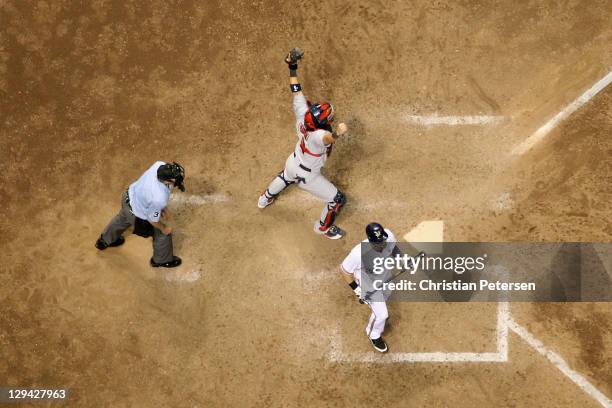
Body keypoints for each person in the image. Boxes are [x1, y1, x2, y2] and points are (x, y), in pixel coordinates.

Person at [257, 48, 348, 240]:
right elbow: (327, 139)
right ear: (322, 124)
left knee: (285, 176)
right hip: (308, 176)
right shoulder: (319, 136)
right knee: (338, 200)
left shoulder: (303, 114)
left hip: (293, 161)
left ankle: (264, 199)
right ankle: (323, 228)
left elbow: (296, 89)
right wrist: (337, 134)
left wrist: (292, 66)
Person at [95, 161, 184, 268]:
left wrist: (161, 207)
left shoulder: (158, 165)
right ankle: (162, 260)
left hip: (128, 197)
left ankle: (104, 241)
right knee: (161, 233)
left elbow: (151, 193)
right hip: (137, 216)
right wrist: (164, 228)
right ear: (166, 181)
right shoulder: (159, 198)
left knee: (122, 218)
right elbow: (153, 220)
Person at [340, 222, 399, 353]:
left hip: (384, 276)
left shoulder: (388, 236)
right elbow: (345, 271)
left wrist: (404, 259)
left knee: (387, 294)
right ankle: (374, 334)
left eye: (382, 241)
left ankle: (377, 313)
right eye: (378, 243)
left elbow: (393, 248)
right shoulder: (357, 254)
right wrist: (358, 290)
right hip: (368, 284)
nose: (382, 244)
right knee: (382, 314)